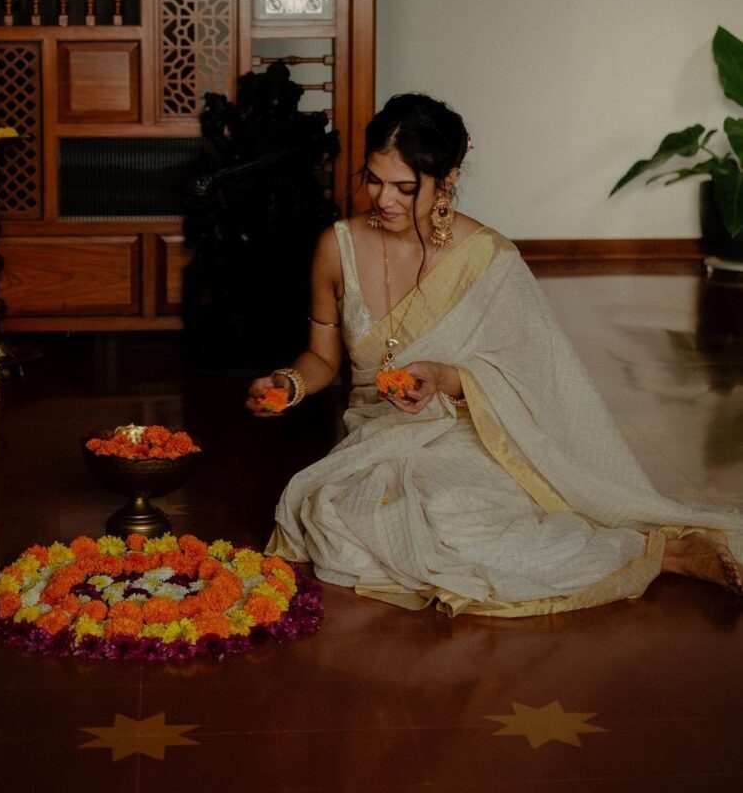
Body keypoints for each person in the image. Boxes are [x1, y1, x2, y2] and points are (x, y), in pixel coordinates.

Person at [246, 93, 743, 618]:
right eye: (373, 179)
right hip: (378, 436)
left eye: (406, 187)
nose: (384, 200)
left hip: (476, 430)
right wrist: (288, 385)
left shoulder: (489, 259)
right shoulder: (337, 246)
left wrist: (444, 377)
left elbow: (534, 375)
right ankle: (662, 555)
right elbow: (320, 358)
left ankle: (665, 553)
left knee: (454, 515)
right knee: (332, 519)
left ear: (449, 179)